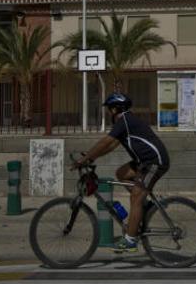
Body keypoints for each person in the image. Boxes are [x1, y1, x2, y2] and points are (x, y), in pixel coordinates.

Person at [72, 92, 170, 252]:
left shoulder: (124, 120)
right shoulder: (125, 122)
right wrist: (91, 158)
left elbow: (106, 141)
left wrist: (85, 159)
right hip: (143, 162)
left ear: (117, 108)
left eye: (110, 109)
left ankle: (130, 240)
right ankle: (145, 205)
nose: (109, 112)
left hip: (154, 162)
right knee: (121, 173)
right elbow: (111, 146)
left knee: (136, 196)